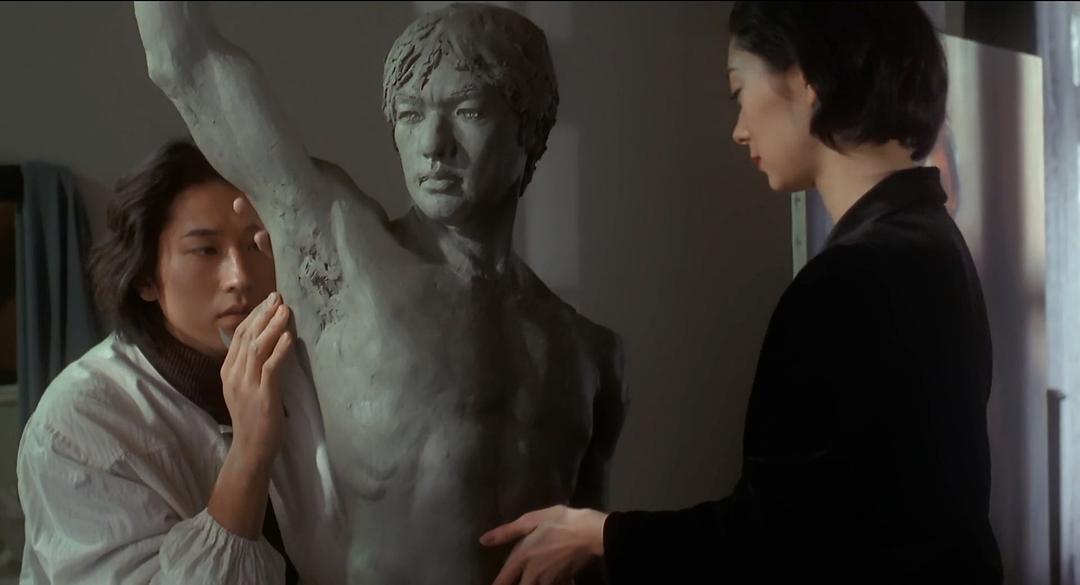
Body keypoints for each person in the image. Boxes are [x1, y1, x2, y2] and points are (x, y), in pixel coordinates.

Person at [481, 3, 1003, 583]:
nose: (739, 129)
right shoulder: (935, 244)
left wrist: (602, 536)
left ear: (806, 79)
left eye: (739, 90)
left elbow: (778, 538)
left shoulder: (848, 279)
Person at [134, 3, 626, 583]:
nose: (434, 144)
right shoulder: (341, 252)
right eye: (411, 114)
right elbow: (183, 58)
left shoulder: (589, 355)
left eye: (468, 110)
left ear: (531, 129)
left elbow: (590, 559)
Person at [17, 140, 344, 584]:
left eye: (255, 245)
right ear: (145, 277)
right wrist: (249, 451)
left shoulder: (311, 368)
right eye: (206, 250)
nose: (240, 277)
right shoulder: (78, 422)